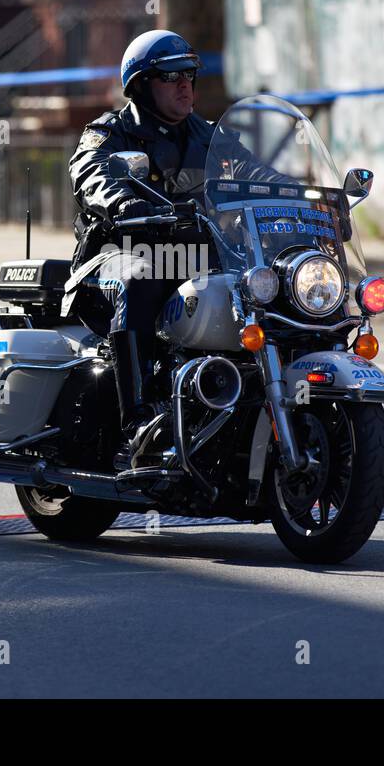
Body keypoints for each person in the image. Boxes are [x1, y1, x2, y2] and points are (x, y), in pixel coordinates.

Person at [65, 30, 281, 467]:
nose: (185, 86)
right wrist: (122, 201)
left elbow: (256, 177)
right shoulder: (110, 133)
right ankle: (138, 422)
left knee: (271, 285)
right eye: (170, 77)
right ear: (142, 86)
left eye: (189, 75)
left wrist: (301, 202)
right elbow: (90, 172)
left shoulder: (209, 138)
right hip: (116, 256)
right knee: (139, 279)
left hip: (192, 258)